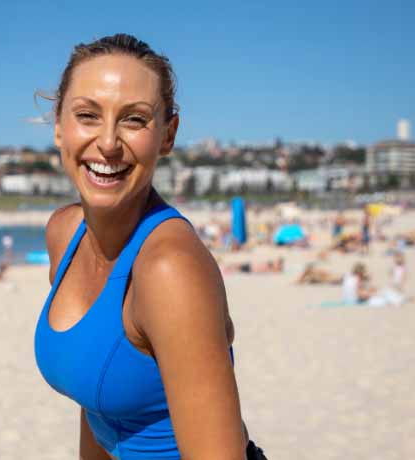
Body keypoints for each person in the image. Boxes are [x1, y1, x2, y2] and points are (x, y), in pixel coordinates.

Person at [33, 34, 265, 460]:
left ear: (167, 135)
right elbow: (96, 404)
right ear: (59, 126)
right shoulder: (65, 233)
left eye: (134, 120)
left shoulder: (169, 269)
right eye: (87, 115)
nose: (107, 142)